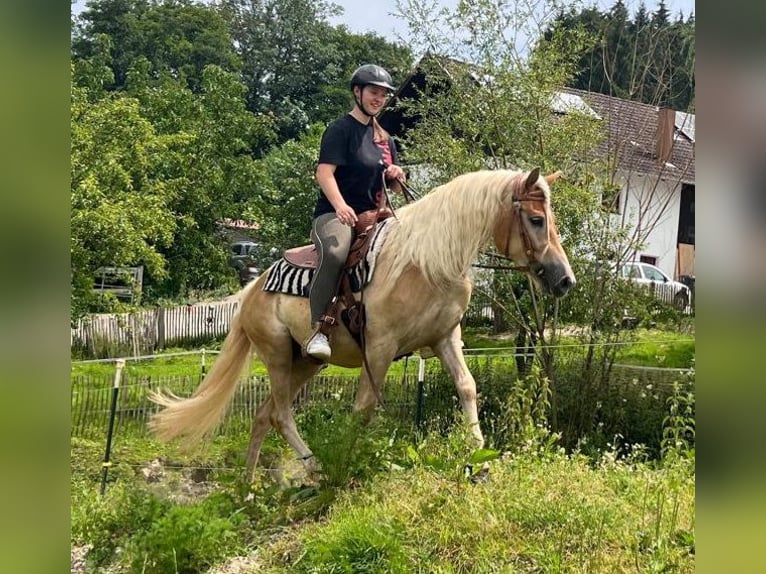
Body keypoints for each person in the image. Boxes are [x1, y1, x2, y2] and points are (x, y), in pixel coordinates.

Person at [304, 64, 407, 361]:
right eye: (374, 92)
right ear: (357, 92)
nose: (379, 99)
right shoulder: (340, 130)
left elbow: (394, 187)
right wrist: (340, 205)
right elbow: (324, 173)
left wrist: (397, 174)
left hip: (375, 216)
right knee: (336, 254)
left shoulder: (385, 140)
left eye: (383, 94)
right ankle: (319, 330)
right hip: (335, 215)